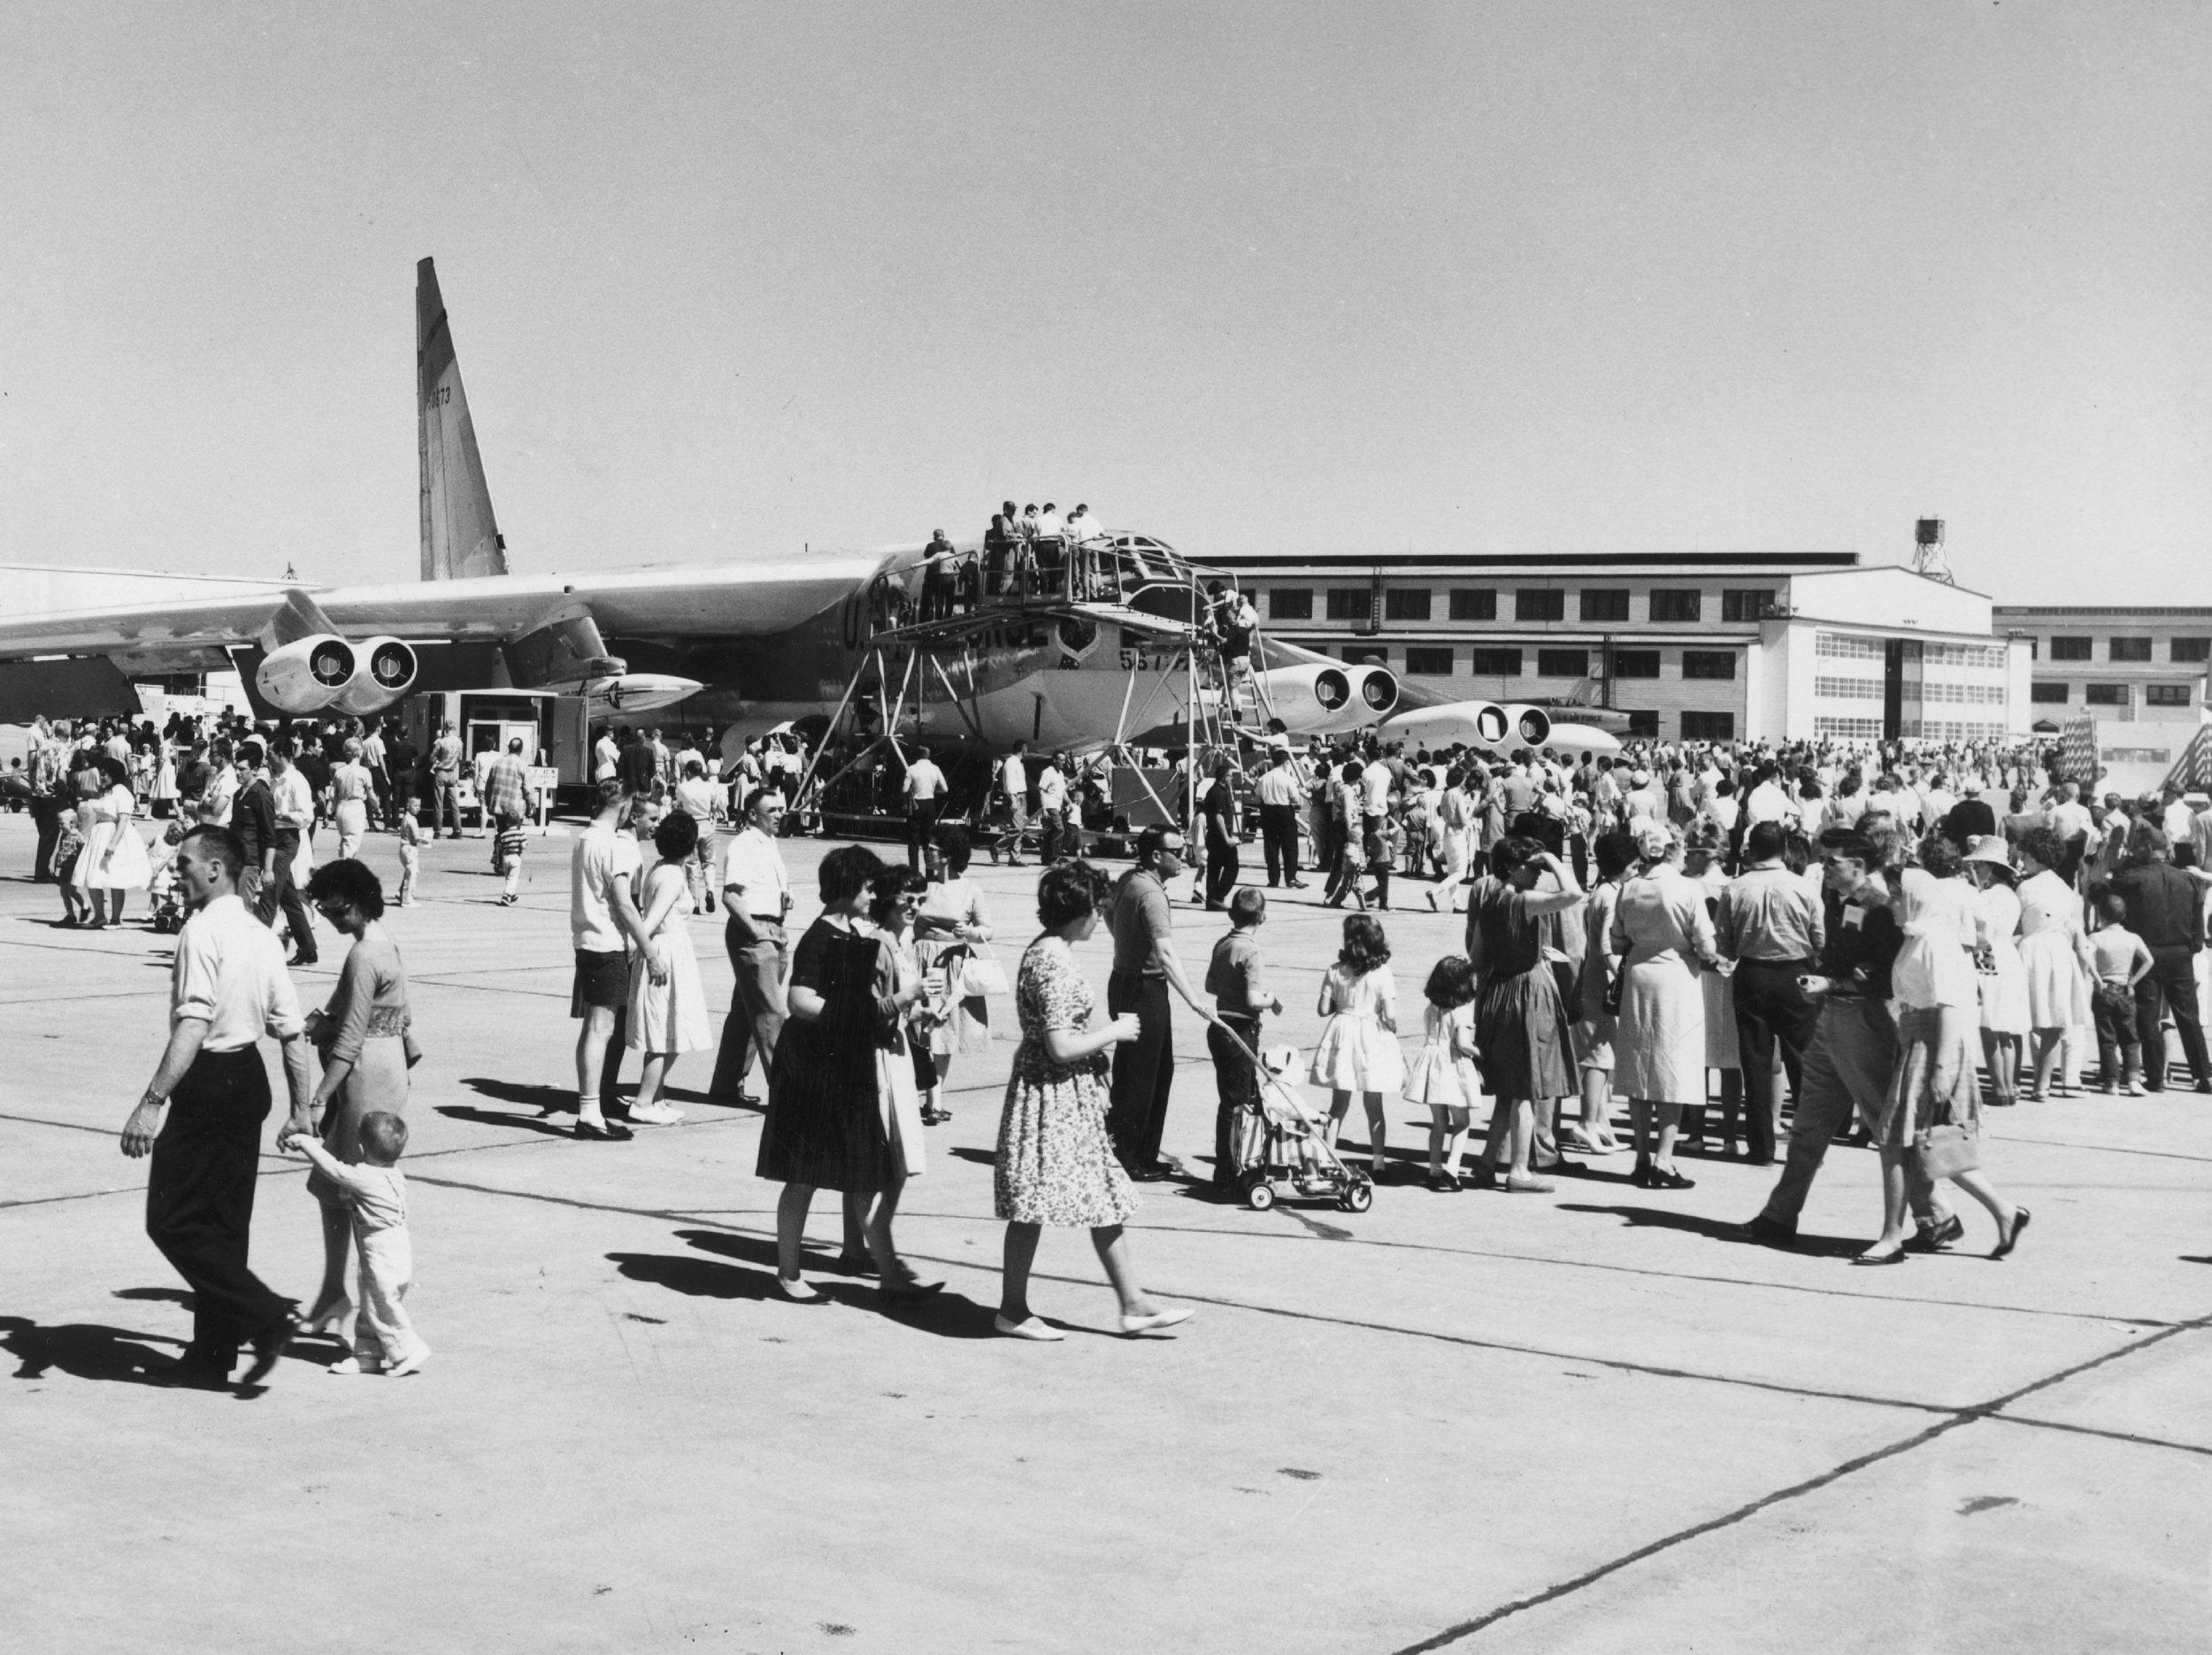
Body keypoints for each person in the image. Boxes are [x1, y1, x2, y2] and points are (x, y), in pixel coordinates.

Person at [118, 825, 314, 1388]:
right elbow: (292, 1032)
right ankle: (212, 1355)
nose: (175, 875)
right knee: (225, 1226)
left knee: (173, 1221)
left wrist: (151, 1101)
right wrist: (301, 1109)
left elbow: (195, 1021)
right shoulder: (262, 934)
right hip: (248, 1081)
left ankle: (265, 1314)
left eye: (183, 865)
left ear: (214, 869)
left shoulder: (201, 931)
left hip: (208, 1081)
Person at [993, 860, 1193, 1341]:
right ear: (1079, 912)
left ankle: (1133, 1304)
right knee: (1033, 1203)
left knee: (1101, 1195)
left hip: (1065, 1096)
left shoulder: (1048, 950)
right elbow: (1060, 1045)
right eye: (1097, 911)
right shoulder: (1053, 962)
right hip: (1050, 1097)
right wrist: (1115, 1034)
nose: (1101, 920)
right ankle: (1013, 1309)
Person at [1742, 828, 1960, 1253]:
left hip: (1863, 1022)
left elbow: (1890, 977)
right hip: (1833, 1019)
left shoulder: (1881, 908)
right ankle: (1778, 1216)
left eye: (1831, 861)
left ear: (1858, 866)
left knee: (1887, 1125)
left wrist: (1835, 981)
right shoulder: (1839, 901)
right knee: (1808, 1126)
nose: (1823, 868)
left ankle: (1937, 1216)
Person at [756, 844, 937, 1304]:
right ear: (846, 888)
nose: (874, 893)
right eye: (868, 885)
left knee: (863, 1169)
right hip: (815, 1064)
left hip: (847, 1059)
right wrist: (885, 1006)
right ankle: (789, 1273)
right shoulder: (821, 937)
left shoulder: (858, 931)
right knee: (803, 1175)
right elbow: (799, 1001)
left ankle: (882, 1269)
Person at [1854, 865, 2031, 1266]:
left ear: (1913, 896)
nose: (1892, 905)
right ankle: (2005, 1211)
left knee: (1897, 1142)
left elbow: (1950, 1003)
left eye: (1896, 897)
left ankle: (1891, 1237)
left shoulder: (1933, 939)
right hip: (1917, 1039)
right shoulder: (1917, 935)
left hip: (1933, 1043)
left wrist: (1942, 1067)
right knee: (1926, 1143)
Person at [294, 858, 416, 1345]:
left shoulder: (364, 955)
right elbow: (384, 1016)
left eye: (337, 912)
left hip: (364, 1075)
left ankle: (369, 1317)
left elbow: (350, 1036)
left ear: (359, 904)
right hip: (385, 1068)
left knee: (354, 1191)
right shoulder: (385, 944)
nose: (332, 921)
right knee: (337, 1188)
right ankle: (332, 1291)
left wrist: (319, 1097)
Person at [1465, 835, 1583, 1192]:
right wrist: (1553, 859)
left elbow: (1477, 957)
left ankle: (1487, 1162)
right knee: (1526, 1088)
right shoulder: (1525, 900)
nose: (1537, 874)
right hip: (1527, 992)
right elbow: (1574, 894)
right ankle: (1519, 1169)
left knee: (1505, 1087)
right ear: (1513, 867)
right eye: (1532, 868)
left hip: (1499, 991)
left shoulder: (1490, 900)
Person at [1609, 821, 1723, 1190]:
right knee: (1675, 1065)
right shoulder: (1687, 888)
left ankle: (1642, 1158)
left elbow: (1617, 937)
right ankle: (1664, 1159)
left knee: (1640, 1068)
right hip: (1677, 976)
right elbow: (1706, 945)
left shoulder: (1629, 888)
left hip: (1640, 976)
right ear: (1673, 849)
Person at [280, 1112, 428, 1375]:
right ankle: (366, 1355)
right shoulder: (394, 1175)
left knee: (382, 1308)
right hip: (398, 1252)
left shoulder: (363, 1176)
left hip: (380, 1254)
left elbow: (334, 1169)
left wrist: (306, 1143)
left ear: (360, 1148)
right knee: (371, 1304)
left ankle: (407, 1350)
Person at [1103, 827, 1210, 1180]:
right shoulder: (1152, 895)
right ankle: (1129, 1158)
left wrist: (1125, 939)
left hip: (1124, 981)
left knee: (1155, 1071)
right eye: (1177, 851)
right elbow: (1165, 951)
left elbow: (1106, 908)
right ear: (1155, 856)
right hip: (1143, 989)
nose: (1184, 857)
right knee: (1140, 1077)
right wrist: (1193, 999)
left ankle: (1141, 1153)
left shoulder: (1128, 879)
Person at [1716, 820, 1823, 1166]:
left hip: (1752, 974)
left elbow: (1725, 943)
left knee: (1756, 1063)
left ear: (1754, 849)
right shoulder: (1802, 887)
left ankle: (1761, 1148)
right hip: (1797, 974)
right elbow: (1819, 937)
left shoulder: (1735, 888)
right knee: (1802, 1062)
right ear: (1783, 848)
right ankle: (1809, 1148)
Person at [567, 778, 659, 1140]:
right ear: (623, 807)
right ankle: (590, 1114)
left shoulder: (587, 838)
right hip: (607, 943)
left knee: (593, 1027)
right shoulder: (612, 843)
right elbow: (623, 902)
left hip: (586, 940)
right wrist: (651, 953)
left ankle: (590, 1107)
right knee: (601, 1029)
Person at [625, 811, 712, 1126]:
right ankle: (643, 1101)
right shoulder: (673, 877)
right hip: (667, 953)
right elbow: (651, 921)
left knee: (669, 1026)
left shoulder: (660, 868)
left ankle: (657, 1098)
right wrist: (648, 955)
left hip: (670, 951)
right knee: (667, 1031)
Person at [2110, 828, 2212, 1093]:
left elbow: (2110, 893)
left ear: (2145, 848)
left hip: (2148, 953)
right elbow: (2197, 919)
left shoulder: (2132, 879)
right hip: (2180, 953)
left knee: (2148, 1016)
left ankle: (2156, 1076)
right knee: (2188, 1016)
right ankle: (2203, 1075)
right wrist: (2193, 947)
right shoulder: (2187, 879)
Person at [710, 789, 793, 1105]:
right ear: (752, 815)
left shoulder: (770, 843)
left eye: (780, 808)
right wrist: (757, 932)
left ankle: (726, 1086)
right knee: (771, 1014)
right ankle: (786, 1094)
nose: (778, 814)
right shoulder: (744, 843)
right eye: (771, 810)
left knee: (747, 1012)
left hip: (774, 929)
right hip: (755, 932)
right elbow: (730, 896)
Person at [1309, 912, 1406, 1177]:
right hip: (1370, 1035)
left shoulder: (1335, 970)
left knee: (1338, 1104)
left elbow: (1322, 1009)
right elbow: (1390, 1014)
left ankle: (1327, 1158)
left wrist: (1341, 1001)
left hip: (1343, 1033)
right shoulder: (1382, 973)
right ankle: (1378, 1161)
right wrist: (1391, 1030)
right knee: (1374, 1104)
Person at [914, 825, 995, 1127]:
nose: (927, 852)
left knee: (942, 1030)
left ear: (947, 857)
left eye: (933, 849)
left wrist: (970, 932)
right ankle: (924, 1095)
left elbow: (988, 929)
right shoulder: (922, 885)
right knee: (919, 1029)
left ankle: (935, 1099)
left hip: (953, 963)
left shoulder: (970, 889)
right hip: (921, 960)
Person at [1204, 886, 1281, 1195]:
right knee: (1239, 1103)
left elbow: (1211, 985)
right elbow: (1253, 999)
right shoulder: (1251, 950)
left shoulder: (1223, 944)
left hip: (1220, 1025)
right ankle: (1230, 1172)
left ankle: (1232, 1166)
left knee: (1232, 1100)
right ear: (1262, 916)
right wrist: (1270, 998)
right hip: (1241, 1030)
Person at [2016, 825, 2094, 1101]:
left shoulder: (2025, 887)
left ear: (2036, 857)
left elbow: (2017, 923)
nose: (2022, 860)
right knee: (2054, 1022)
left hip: (2032, 949)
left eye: (2025, 856)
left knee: (2023, 1019)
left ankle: (2015, 1080)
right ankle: (2042, 1084)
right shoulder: (2064, 888)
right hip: (2059, 952)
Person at [1961, 835, 2028, 1108]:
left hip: (1989, 956)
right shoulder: (2010, 895)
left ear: (1990, 866)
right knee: (2005, 1029)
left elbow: (1982, 933)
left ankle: (2000, 1088)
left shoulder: (1987, 896)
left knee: (1989, 1025)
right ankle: (2009, 1085)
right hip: (2008, 957)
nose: (1975, 870)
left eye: (1979, 865)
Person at [1406, 956, 1484, 1191]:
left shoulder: (1431, 1008)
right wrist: (1479, 1052)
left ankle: (1433, 1169)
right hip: (1453, 1066)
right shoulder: (1462, 1011)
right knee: (1462, 1122)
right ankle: (1452, 1167)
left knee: (1438, 1122)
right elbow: (1462, 1042)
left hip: (1431, 1064)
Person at [2086, 889, 2154, 1094]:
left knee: (2107, 1039)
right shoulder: (2133, 938)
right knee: (2130, 1039)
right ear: (2124, 916)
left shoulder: (2096, 938)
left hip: (2104, 990)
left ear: (2100, 915)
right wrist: (2132, 982)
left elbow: (2087, 959)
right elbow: (2149, 960)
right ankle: (2134, 1079)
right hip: (2126, 990)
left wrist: (2097, 979)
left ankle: (2111, 1082)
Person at [74, 755, 152, 928]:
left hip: (114, 835)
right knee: (93, 877)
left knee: (115, 879)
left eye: (105, 774)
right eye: (101, 774)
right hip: (98, 835)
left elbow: (123, 820)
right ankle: (99, 916)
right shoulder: (105, 792)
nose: (102, 777)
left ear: (114, 774)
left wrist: (113, 844)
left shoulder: (122, 792)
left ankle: (116, 919)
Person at [261, 742, 319, 965]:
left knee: (270, 891)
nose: (268, 759)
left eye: (270, 754)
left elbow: (306, 816)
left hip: (287, 839)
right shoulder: (276, 780)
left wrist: (280, 815)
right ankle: (308, 947)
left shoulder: (296, 781)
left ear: (282, 754)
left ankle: (253, 948)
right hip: (274, 838)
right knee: (289, 898)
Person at [480, 736, 534, 906]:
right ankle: (510, 872)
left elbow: (489, 785)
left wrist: (489, 802)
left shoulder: (497, 762)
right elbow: (527, 788)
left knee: (501, 834)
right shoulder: (522, 764)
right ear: (521, 749)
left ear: (509, 748)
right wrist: (532, 805)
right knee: (513, 837)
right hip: (514, 807)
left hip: (497, 804)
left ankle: (499, 861)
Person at [672, 757, 722, 912]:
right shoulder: (709, 786)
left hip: (690, 825)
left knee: (691, 864)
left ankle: (695, 901)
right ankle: (710, 890)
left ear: (688, 772)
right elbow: (716, 806)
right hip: (706, 823)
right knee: (709, 862)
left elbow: (678, 805)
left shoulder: (683, 787)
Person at [1253, 746, 1305, 889]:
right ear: (1285, 763)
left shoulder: (1264, 778)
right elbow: (1295, 799)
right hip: (1284, 812)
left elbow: (1257, 796)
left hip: (1268, 812)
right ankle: (1291, 878)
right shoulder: (1288, 778)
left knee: (1271, 847)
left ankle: (1273, 879)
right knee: (1290, 846)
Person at [1199, 752, 1240, 910]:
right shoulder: (1217, 792)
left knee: (1215, 867)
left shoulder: (1221, 791)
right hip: (1219, 836)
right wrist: (1227, 838)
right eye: (1230, 776)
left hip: (1216, 836)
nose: (1232, 779)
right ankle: (1217, 896)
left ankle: (1212, 899)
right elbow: (1218, 817)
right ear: (1223, 777)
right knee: (1232, 866)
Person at [901, 744, 948, 874]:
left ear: (917, 755)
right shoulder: (935, 768)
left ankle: (914, 871)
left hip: (916, 805)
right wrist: (933, 790)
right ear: (928, 756)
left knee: (913, 840)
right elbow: (945, 788)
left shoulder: (912, 769)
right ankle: (930, 872)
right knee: (928, 840)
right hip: (930, 804)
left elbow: (904, 789)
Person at [328, 738, 376, 860]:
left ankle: (344, 865)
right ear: (359, 753)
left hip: (341, 808)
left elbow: (332, 794)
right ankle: (345, 872)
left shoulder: (339, 771)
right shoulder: (364, 772)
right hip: (355, 808)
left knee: (346, 841)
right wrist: (377, 807)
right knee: (352, 844)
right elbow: (371, 794)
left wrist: (331, 809)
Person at [994, 743, 1032, 866]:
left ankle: (1014, 859)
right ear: (1023, 750)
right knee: (1017, 829)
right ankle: (996, 848)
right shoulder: (1011, 762)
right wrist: (1013, 800)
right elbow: (1010, 783)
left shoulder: (1018, 763)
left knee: (1019, 829)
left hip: (1021, 797)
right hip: (1014, 797)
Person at [428, 722, 464, 838]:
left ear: (445, 729)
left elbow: (432, 757)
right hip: (452, 773)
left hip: (441, 772)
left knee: (439, 802)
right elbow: (460, 758)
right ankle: (457, 830)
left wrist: (440, 762)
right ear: (454, 728)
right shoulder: (459, 742)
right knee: (454, 803)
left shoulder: (442, 742)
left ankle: (437, 830)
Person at [394, 794, 425, 907]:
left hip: (404, 848)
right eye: (415, 805)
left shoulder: (406, 817)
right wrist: (425, 840)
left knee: (409, 871)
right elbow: (416, 837)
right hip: (409, 848)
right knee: (413, 872)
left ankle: (400, 893)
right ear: (408, 806)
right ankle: (407, 899)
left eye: (419, 805)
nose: (418, 808)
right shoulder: (411, 820)